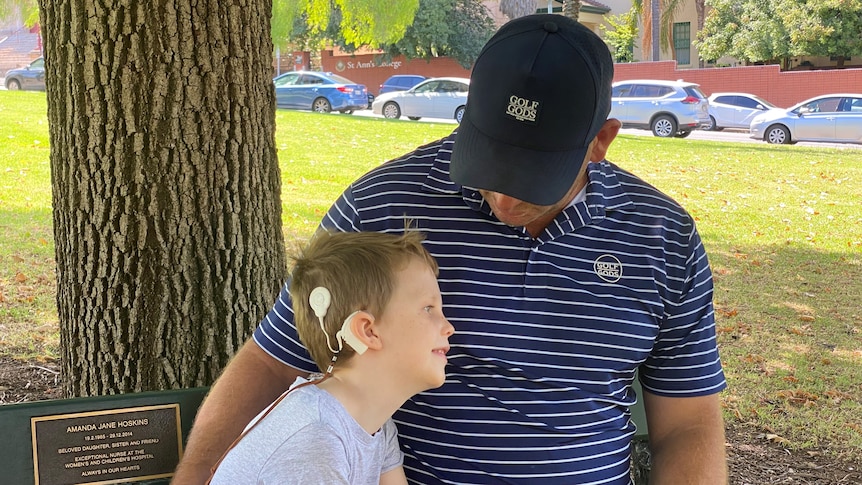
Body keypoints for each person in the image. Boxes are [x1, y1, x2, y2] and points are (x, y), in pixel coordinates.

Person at [175, 14, 727, 484]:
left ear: (601, 142)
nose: (506, 196)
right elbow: (274, 364)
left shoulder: (662, 236)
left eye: (535, 173)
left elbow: (689, 423)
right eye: (490, 160)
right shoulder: (382, 207)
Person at [208, 230, 454, 484]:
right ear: (368, 331)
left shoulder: (374, 424)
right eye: (428, 308)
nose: (449, 327)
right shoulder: (316, 438)